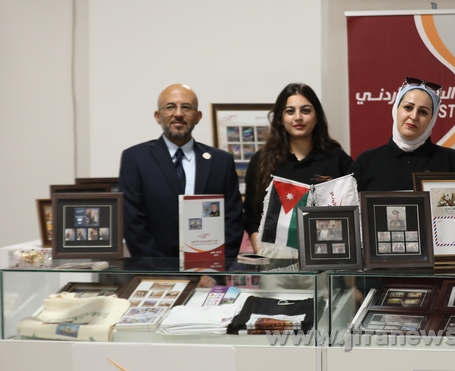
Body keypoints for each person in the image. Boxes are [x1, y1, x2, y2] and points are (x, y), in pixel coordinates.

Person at [119, 84, 244, 259]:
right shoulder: (135, 159)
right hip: (154, 270)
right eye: (170, 107)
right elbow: (132, 222)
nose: (178, 113)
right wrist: (159, 269)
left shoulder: (221, 162)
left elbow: (233, 220)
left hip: (209, 267)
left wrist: (214, 266)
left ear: (198, 116)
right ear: (158, 116)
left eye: (186, 107)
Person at [244, 83, 352, 251]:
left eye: (306, 110)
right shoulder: (262, 160)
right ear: (280, 118)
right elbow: (252, 214)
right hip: (275, 259)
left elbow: (352, 211)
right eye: (290, 111)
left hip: (325, 257)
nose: (298, 117)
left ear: (317, 117)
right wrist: (261, 251)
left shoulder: (337, 159)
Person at [349, 77, 455, 191]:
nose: (413, 117)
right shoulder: (366, 162)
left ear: (432, 119)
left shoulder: (452, 162)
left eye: (423, 112)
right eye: (408, 108)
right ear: (396, 109)